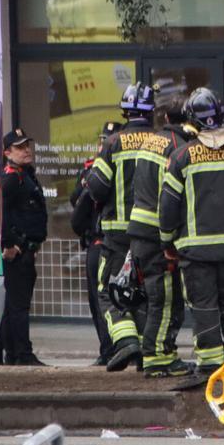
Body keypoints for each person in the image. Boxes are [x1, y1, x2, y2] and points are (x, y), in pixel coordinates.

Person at [159, 88, 224, 375]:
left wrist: (167, 240)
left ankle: (210, 368)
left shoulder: (181, 157)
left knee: (204, 308)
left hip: (195, 253)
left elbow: (168, 206)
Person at [86, 84, 160, 371]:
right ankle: (148, 352)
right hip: (153, 234)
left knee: (109, 290)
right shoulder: (161, 141)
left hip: (118, 236)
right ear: (151, 111)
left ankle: (127, 341)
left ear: (125, 111)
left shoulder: (114, 143)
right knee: (147, 292)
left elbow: (96, 187)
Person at [126, 90, 193, 378]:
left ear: (165, 117)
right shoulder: (180, 147)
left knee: (156, 297)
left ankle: (157, 354)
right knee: (165, 298)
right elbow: (173, 198)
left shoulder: (149, 142)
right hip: (157, 233)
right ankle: (158, 357)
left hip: (139, 229)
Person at [0, 127, 48, 367]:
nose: (26, 150)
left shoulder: (25, 175)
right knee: (18, 307)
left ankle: (14, 354)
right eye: (20, 147)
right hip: (18, 253)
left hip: (26, 250)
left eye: (27, 146)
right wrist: (9, 243)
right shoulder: (12, 179)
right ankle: (21, 354)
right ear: (6, 152)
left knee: (15, 306)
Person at [70, 121, 120, 366]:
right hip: (97, 241)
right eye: (103, 140)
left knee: (116, 300)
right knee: (98, 300)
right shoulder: (91, 168)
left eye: (108, 140)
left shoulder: (120, 169)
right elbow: (75, 201)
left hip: (114, 243)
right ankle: (107, 350)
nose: (104, 145)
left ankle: (118, 349)